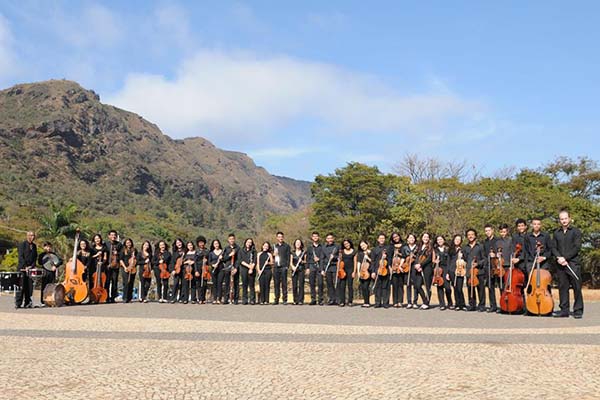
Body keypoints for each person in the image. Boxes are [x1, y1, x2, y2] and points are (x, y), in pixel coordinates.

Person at [552, 210, 584, 319]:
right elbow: (553, 247)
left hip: (573, 263)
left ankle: (578, 310)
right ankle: (564, 310)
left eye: (565, 218)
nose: (564, 221)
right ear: (559, 220)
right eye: (562, 219)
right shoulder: (556, 233)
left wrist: (566, 258)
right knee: (563, 287)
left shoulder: (576, 232)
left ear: (569, 218)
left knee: (577, 287)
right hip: (560, 264)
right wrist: (559, 258)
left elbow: (577, 247)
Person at [463, 229, 487, 312]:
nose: (470, 236)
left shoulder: (480, 246)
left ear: (475, 235)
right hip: (469, 271)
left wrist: (478, 264)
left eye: (472, 234)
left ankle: (481, 305)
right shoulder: (465, 247)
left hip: (479, 271)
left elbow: (484, 259)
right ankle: (472, 305)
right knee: (470, 289)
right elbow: (465, 258)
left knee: (481, 289)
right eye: (468, 235)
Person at [15, 231, 37, 309]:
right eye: (31, 235)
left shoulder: (34, 246)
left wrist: (32, 266)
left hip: (30, 269)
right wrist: (25, 266)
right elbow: (20, 257)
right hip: (22, 268)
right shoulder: (22, 245)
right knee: (21, 286)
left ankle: (27, 302)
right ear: (27, 236)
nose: (32, 237)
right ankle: (18, 303)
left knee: (29, 286)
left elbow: (35, 258)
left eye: (33, 235)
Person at [37, 241, 63, 306]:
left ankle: (51, 300)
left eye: (49, 247)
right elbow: (39, 262)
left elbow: (60, 261)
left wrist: (55, 266)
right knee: (44, 286)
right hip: (45, 272)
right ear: (44, 247)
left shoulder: (54, 254)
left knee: (52, 286)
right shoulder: (42, 255)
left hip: (52, 272)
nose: (48, 248)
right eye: (46, 247)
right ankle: (43, 301)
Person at [412, 233, 433, 310]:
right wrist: (416, 264)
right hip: (418, 268)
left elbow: (429, 258)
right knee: (417, 285)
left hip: (427, 268)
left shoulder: (431, 247)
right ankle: (424, 300)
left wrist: (421, 264)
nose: (426, 238)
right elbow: (417, 256)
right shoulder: (419, 246)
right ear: (421, 238)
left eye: (427, 237)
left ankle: (426, 303)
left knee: (427, 286)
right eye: (424, 237)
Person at [371, 233, 391, 308]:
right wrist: (373, 271)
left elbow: (390, 260)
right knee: (377, 287)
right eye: (380, 238)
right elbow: (372, 261)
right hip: (377, 270)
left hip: (386, 270)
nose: (382, 239)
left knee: (385, 287)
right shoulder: (374, 249)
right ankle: (377, 302)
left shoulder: (388, 248)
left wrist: (386, 257)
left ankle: (385, 303)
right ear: (378, 239)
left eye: (383, 238)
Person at [433, 235, 453, 310]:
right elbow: (432, 260)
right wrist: (435, 261)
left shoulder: (448, 249)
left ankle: (450, 303)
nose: (439, 241)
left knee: (447, 287)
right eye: (438, 240)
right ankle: (442, 304)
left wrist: (448, 272)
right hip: (438, 268)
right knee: (440, 286)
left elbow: (450, 260)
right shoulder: (435, 250)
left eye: (441, 239)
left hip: (446, 268)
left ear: (444, 240)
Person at [483, 224, 499, 313]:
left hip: (497, 266)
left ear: (492, 230)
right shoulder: (485, 242)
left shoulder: (497, 240)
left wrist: (495, 254)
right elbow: (484, 255)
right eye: (486, 231)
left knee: (501, 286)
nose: (487, 232)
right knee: (490, 286)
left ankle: (503, 305)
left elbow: (502, 252)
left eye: (489, 230)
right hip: (489, 266)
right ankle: (493, 306)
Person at [449, 235, 467, 311]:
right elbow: (448, 261)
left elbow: (466, 259)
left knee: (459, 288)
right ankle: (457, 304)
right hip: (452, 270)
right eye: (456, 239)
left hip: (460, 270)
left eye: (459, 239)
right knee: (455, 287)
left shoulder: (463, 249)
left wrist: (462, 256)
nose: (457, 240)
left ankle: (462, 304)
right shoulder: (450, 249)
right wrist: (447, 272)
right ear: (453, 239)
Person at [306, 232, 324, 305]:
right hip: (312, 266)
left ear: (318, 237)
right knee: (312, 283)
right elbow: (307, 258)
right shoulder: (309, 247)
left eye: (317, 236)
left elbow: (323, 257)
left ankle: (320, 299)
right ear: (312, 238)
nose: (315, 237)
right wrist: (307, 268)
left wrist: (319, 259)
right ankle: (313, 299)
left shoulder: (322, 247)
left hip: (320, 266)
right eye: (314, 236)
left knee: (320, 283)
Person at [337, 239, 357, 307]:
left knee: (350, 286)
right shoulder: (342, 252)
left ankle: (350, 301)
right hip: (343, 270)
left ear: (350, 243)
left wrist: (354, 271)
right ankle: (342, 301)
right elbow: (339, 262)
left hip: (350, 270)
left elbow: (355, 262)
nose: (347, 245)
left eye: (347, 243)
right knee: (342, 286)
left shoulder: (354, 251)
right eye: (345, 244)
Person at [321, 233, 339, 305]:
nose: (330, 240)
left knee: (337, 283)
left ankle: (338, 299)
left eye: (331, 238)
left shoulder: (337, 247)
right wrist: (322, 269)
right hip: (327, 267)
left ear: (333, 239)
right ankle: (331, 299)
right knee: (329, 284)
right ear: (326, 239)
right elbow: (322, 259)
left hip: (335, 267)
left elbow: (340, 256)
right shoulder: (324, 247)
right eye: (328, 238)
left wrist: (334, 257)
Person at [273, 232, 291, 305]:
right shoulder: (274, 246)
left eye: (281, 237)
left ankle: (284, 299)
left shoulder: (286, 246)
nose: (280, 238)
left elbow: (288, 257)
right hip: (276, 267)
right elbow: (271, 257)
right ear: (277, 238)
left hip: (283, 266)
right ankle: (276, 299)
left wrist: (287, 266)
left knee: (284, 284)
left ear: (283, 237)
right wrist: (273, 254)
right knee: (276, 284)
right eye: (279, 237)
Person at [105, 230, 122, 303]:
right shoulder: (105, 244)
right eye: (111, 235)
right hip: (107, 266)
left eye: (114, 235)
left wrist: (117, 253)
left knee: (114, 282)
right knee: (107, 281)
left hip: (115, 266)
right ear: (109, 236)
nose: (113, 236)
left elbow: (122, 254)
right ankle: (106, 297)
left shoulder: (119, 244)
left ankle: (113, 297)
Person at [239, 238, 257, 305]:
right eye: (248, 242)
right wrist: (248, 266)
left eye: (250, 242)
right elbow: (240, 260)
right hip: (244, 269)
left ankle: (252, 300)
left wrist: (251, 268)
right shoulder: (241, 250)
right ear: (245, 242)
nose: (249, 244)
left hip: (252, 270)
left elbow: (255, 261)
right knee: (244, 285)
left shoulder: (254, 251)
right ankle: (245, 299)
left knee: (251, 285)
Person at [192, 236, 210, 304]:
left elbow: (209, 261)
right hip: (198, 268)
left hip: (205, 269)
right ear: (198, 243)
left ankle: (203, 298)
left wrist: (206, 261)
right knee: (198, 284)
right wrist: (196, 270)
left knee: (204, 284)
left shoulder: (207, 251)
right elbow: (195, 261)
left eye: (202, 242)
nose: (201, 244)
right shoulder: (196, 251)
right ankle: (200, 298)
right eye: (200, 243)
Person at [402, 234, 418, 309]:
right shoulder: (404, 248)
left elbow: (419, 257)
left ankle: (415, 302)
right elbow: (403, 257)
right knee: (408, 284)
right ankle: (409, 302)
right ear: (407, 239)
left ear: (415, 239)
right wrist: (401, 265)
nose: (411, 239)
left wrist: (414, 257)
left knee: (415, 285)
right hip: (407, 267)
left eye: (413, 238)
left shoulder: (418, 247)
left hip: (415, 267)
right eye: (410, 238)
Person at [389, 232, 404, 308]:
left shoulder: (403, 245)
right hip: (393, 266)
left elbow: (404, 255)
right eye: (394, 237)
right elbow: (389, 257)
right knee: (394, 285)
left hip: (401, 266)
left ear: (399, 236)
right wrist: (390, 267)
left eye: (397, 236)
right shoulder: (391, 246)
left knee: (400, 285)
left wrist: (399, 253)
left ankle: (400, 301)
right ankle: (395, 302)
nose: (396, 238)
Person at [119, 238, 137, 303]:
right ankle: (125, 297)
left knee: (131, 283)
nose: (128, 244)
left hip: (132, 268)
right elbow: (121, 259)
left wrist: (134, 257)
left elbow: (136, 259)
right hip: (125, 267)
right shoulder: (123, 250)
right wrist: (125, 267)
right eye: (127, 243)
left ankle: (129, 298)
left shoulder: (134, 250)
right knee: (126, 282)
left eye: (129, 242)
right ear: (125, 244)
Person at [290, 239, 306, 305]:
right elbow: (290, 262)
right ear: (295, 244)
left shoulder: (303, 252)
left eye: (299, 243)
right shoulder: (292, 252)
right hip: (294, 270)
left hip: (301, 270)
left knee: (301, 285)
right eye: (296, 242)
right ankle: (295, 300)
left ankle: (300, 300)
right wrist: (293, 267)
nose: (298, 244)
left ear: (301, 244)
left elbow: (306, 261)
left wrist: (302, 261)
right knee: (294, 285)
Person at [209, 239, 225, 304]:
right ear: (213, 245)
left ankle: (219, 298)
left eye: (217, 243)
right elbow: (209, 262)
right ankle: (214, 298)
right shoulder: (211, 253)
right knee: (214, 284)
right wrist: (213, 265)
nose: (216, 245)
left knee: (220, 283)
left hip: (221, 269)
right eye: (215, 244)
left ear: (219, 244)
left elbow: (225, 260)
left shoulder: (222, 252)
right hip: (213, 269)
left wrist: (222, 258)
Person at [357, 241, 372, 307]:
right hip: (362, 271)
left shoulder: (371, 252)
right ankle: (365, 302)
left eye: (364, 245)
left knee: (366, 286)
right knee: (363, 287)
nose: (363, 247)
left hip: (368, 271)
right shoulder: (360, 253)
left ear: (367, 244)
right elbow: (359, 262)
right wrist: (358, 272)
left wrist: (367, 258)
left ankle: (367, 302)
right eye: (361, 246)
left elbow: (373, 261)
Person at [170, 239, 185, 303]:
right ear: (176, 244)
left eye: (180, 242)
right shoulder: (174, 252)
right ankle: (173, 298)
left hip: (184, 269)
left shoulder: (185, 251)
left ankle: (181, 298)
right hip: (177, 269)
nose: (179, 244)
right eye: (177, 243)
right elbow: (172, 262)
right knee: (175, 283)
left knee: (183, 284)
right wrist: (172, 270)